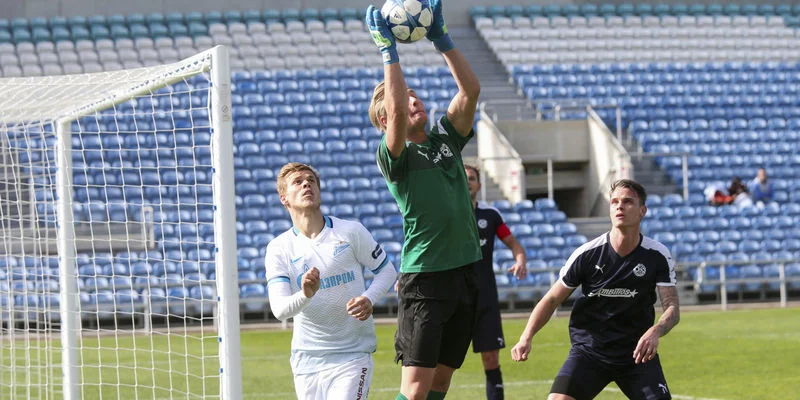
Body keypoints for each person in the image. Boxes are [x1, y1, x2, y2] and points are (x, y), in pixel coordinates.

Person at [365, 0, 483, 398]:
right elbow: (396, 115)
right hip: (427, 278)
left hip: (467, 271)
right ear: (385, 121)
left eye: (417, 98)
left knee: (442, 382)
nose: (414, 102)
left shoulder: (446, 138)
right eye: (405, 100)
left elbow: (471, 90)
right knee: (415, 390)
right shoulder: (394, 156)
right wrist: (388, 51)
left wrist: (442, 40)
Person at [511, 179, 680, 400]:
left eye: (628, 202)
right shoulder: (587, 254)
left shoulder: (657, 254)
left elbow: (672, 307)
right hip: (590, 352)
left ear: (642, 211)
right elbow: (551, 299)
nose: (619, 206)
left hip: (637, 355)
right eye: (614, 202)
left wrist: (655, 331)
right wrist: (526, 337)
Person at [264, 162, 397, 400]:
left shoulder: (351, 232)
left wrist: (369, 298)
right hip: (307, 359)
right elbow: (280, 310)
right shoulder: (279, 248)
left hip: (353, 355)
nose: (306, 184)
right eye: (298, 182)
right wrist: (305, 293)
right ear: (284, 198)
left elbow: (387, 271)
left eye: (311, 180)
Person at [464, 164, 527, 400]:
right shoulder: (446, 213)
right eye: (463, 178)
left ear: (479, 185)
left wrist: (520, 260)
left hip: (485, 294)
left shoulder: (490, 215)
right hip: (453, 295)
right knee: (441, 361)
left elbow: (514, 244)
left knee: (491, 358)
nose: (467, 181)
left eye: (472, 178)